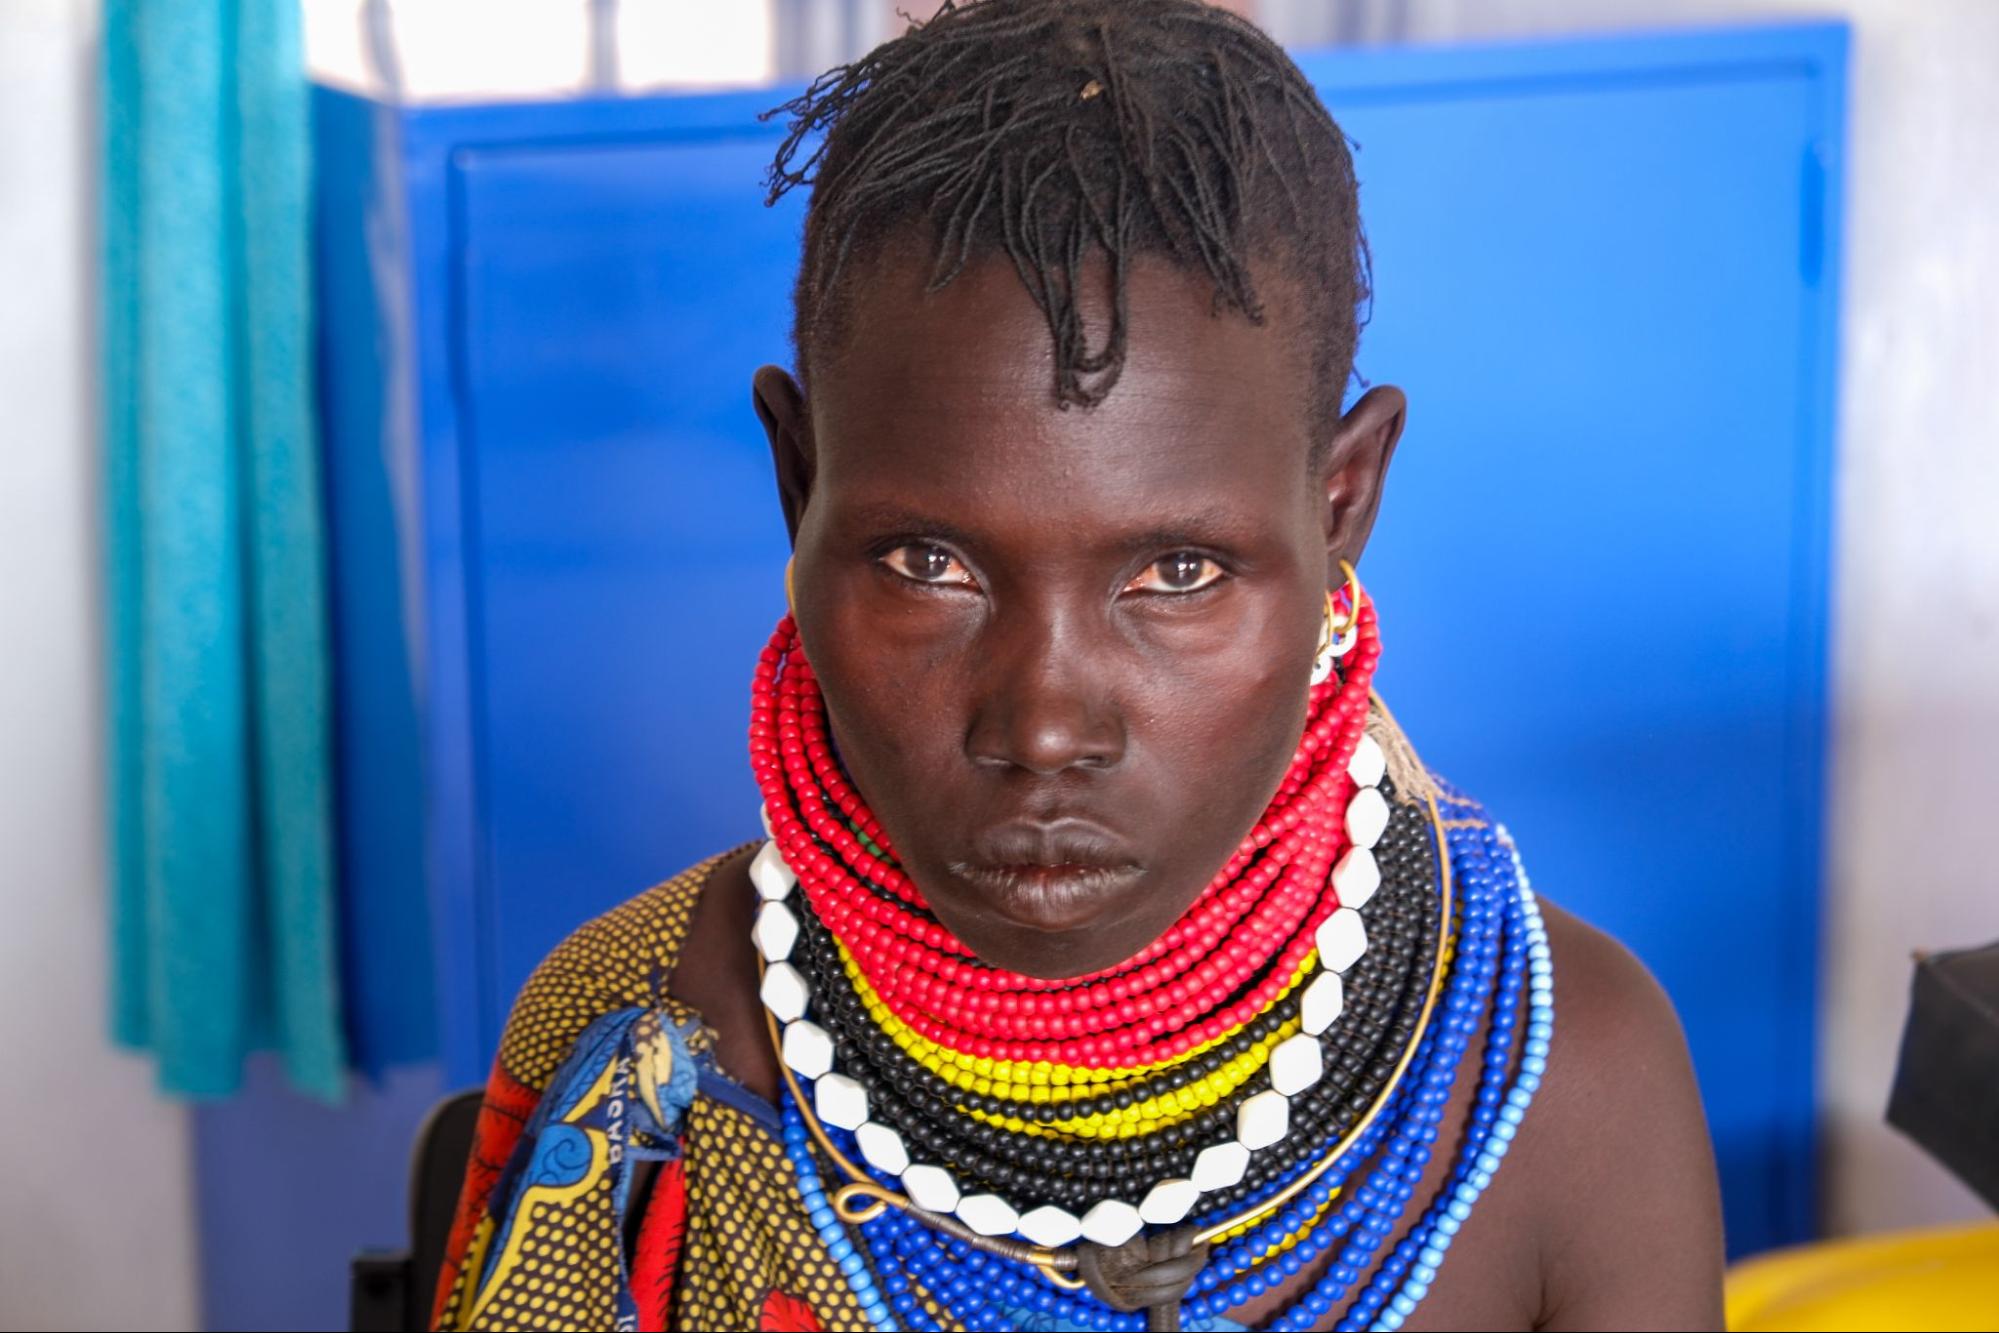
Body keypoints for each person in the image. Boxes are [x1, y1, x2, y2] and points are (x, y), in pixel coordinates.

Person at [431, 2, 1724, 1329]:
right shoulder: (634, 1039)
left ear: (1339, 504)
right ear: (797, 484)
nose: (1045, 724)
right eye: (930, 564)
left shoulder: (1564, 1080)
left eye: (1177, 573)